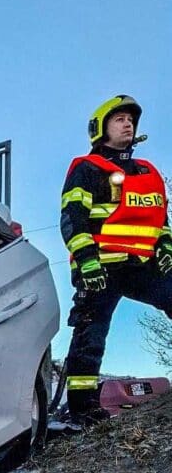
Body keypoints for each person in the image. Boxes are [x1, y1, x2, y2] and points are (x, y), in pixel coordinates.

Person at [61, 95, 172, 424]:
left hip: (142, 266)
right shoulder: (86, 168)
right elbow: (73, 218)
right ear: (100, 128)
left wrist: (166, 248)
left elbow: (160, 221)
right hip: (100, 267)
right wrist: (86, 260)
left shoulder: (148, 171)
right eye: (119, 119)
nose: (127, 124)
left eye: (131, 120)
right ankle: (82, 410)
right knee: (90, 334)